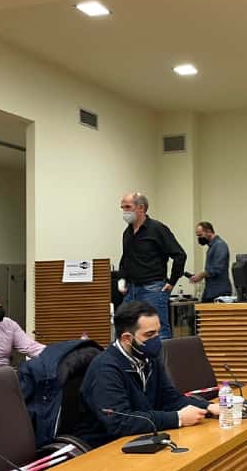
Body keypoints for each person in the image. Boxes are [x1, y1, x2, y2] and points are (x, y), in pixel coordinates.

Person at [77, 300, 220, 449]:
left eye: (158, 332)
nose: (157, 339)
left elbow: (170, 399)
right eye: (150, 334)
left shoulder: (148, 357)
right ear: (127, 338)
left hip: (143, 437)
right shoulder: (105, 369)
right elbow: (119, 422)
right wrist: (177, 418)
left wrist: (209, 407)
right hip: (106, 446)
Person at [118, 191, 187, 339]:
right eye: (122, 207)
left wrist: (172, 281)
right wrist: (121, 280)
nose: (124, 211)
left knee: (158, 331)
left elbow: (179, 255)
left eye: (128, 207)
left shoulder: (157, 229)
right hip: (132, 290)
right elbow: (126, 259)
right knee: (125, 328)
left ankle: (163, 356)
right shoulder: (127, 233)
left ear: (141, 208)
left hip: (153, 289)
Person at [189, 221, 232, 302]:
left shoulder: (219, 245)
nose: (199, 238)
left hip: (219, 291)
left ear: (209, 231)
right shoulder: (212, 246)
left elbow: (217, 269)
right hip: (211, 291)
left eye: (200, 235)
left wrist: (201, 275)